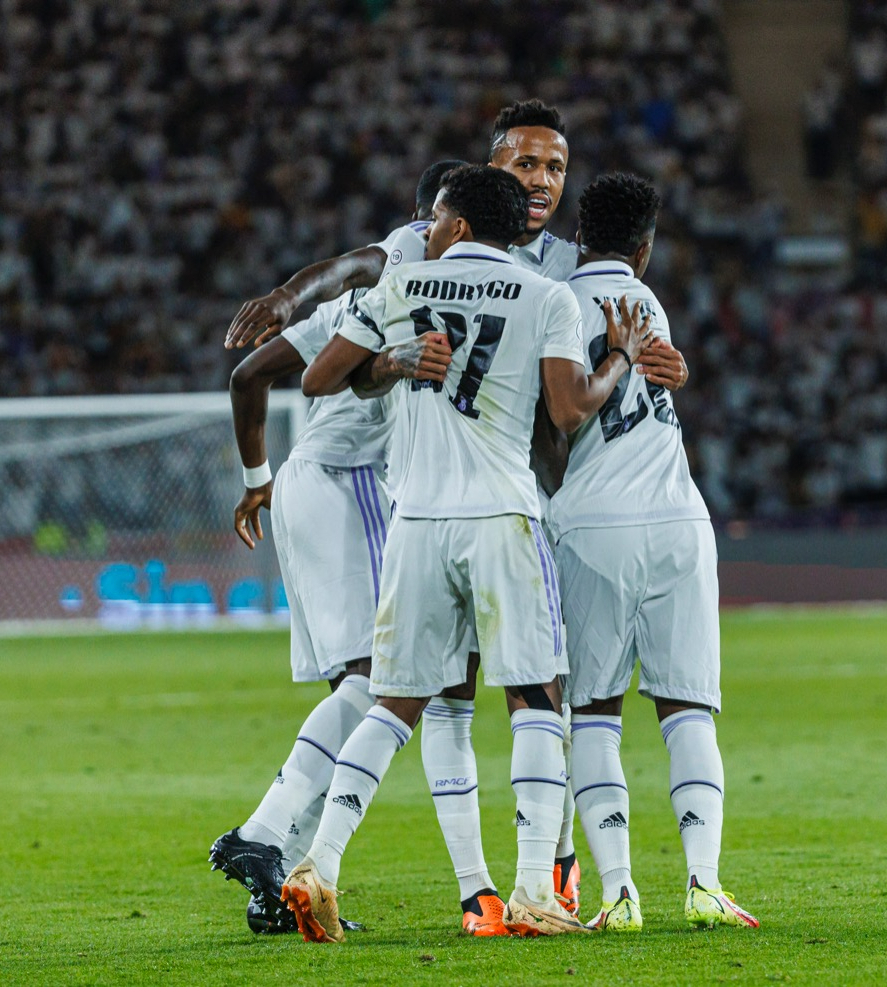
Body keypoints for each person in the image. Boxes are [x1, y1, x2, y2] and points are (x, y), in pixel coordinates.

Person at [279, 165, 652, 941]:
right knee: (537, 697)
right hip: (500, 516)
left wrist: (395, 361)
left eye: (439, 217)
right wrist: (620, 356)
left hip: (415, 520)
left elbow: (319, 379)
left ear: (454, 222)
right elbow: (568, 410)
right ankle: (532, 889)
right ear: (515, 227)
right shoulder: (544, 295)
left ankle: (319, 861)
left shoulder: (404, 287)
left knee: (395, 702)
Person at [207, 161, 464, 934]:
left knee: (357, 699)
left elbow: (248, 376)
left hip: (308, 488)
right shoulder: (411, 262)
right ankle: (261, 831)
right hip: (350, 486)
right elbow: (362, 261)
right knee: (385, 684)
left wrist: (258, 479)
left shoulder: (366, 303)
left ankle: (274, 882)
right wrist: (291, 293)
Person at [553, 173, 758, 931]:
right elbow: (659, 382)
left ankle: (618, 893)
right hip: (678, 518)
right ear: (643, 248)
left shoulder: (557, 299)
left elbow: (558, 413)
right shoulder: (650, 300)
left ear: (580, 235)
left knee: (594, 714)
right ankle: (704, 882)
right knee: (689, 709)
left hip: (594, 522)